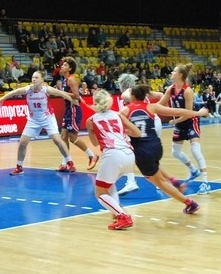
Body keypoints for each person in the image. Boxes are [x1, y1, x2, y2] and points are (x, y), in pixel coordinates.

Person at [120, 85, 208, 215]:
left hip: (142, 151)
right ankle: (174, 181)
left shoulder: (125, 111)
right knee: (154, 171)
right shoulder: (152, 107)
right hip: (156, 147)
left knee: (159, 183)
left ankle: (190, 203)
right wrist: (199, 113)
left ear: (132, 96)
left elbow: (123, 131)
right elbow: (178, 111)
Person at [0, 71, 76, 175]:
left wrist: (71, 101)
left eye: (36, 77)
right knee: (22, 142)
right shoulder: (28, 89)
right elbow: (14, 92)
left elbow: (62, 94)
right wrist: (2, 98)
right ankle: (19, 167)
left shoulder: (46, 89)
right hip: (33, 119)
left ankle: (70, 162)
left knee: (57, 140)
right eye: (33, 77)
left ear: (42, 79)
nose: (34, 79)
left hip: (47, 118)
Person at [85, 90, 142, 230]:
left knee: (99, 193)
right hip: (129, 154)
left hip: (113, 155)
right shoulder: (118, 114)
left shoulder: (91, 120)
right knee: (109, 184)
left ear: (95, 103)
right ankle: (117, 213)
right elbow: (137, 133)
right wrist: (120, 133)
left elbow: (95, 143)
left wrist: (93, 131)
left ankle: (123, 216)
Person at [158, 64, 210, 194]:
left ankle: (205, 182)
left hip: (190, 121)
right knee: (175, 152)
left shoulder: (187, 91)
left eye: (174, 71)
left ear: (180, 75)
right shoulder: (171, 89)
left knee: (195, 150)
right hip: (179, 123)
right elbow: (160, 104)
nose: (171, 73)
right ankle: (193, 170)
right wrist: (147, 107)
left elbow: (188, 112)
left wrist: (175, 120)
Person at [115, 72, 165, 196]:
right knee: (150, 154)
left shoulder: (128, 95)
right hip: (154, 121)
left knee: (132, 152)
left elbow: (124, 98)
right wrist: (156, 107)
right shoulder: (141, 92)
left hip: (143, 124)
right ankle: (161, 182)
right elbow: (161, 95)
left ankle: (132, 182)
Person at [57, 57, 99, 172]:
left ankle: (92, 156)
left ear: (70, 68)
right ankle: (65, 163)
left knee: (72, 138)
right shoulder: (65, 80)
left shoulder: (71, 80)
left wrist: (60, 92)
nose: (62, 66)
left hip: (74, 110)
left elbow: (76, 95)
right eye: (62, 65)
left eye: (65, 65)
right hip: (68, 110)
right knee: (63, 137)